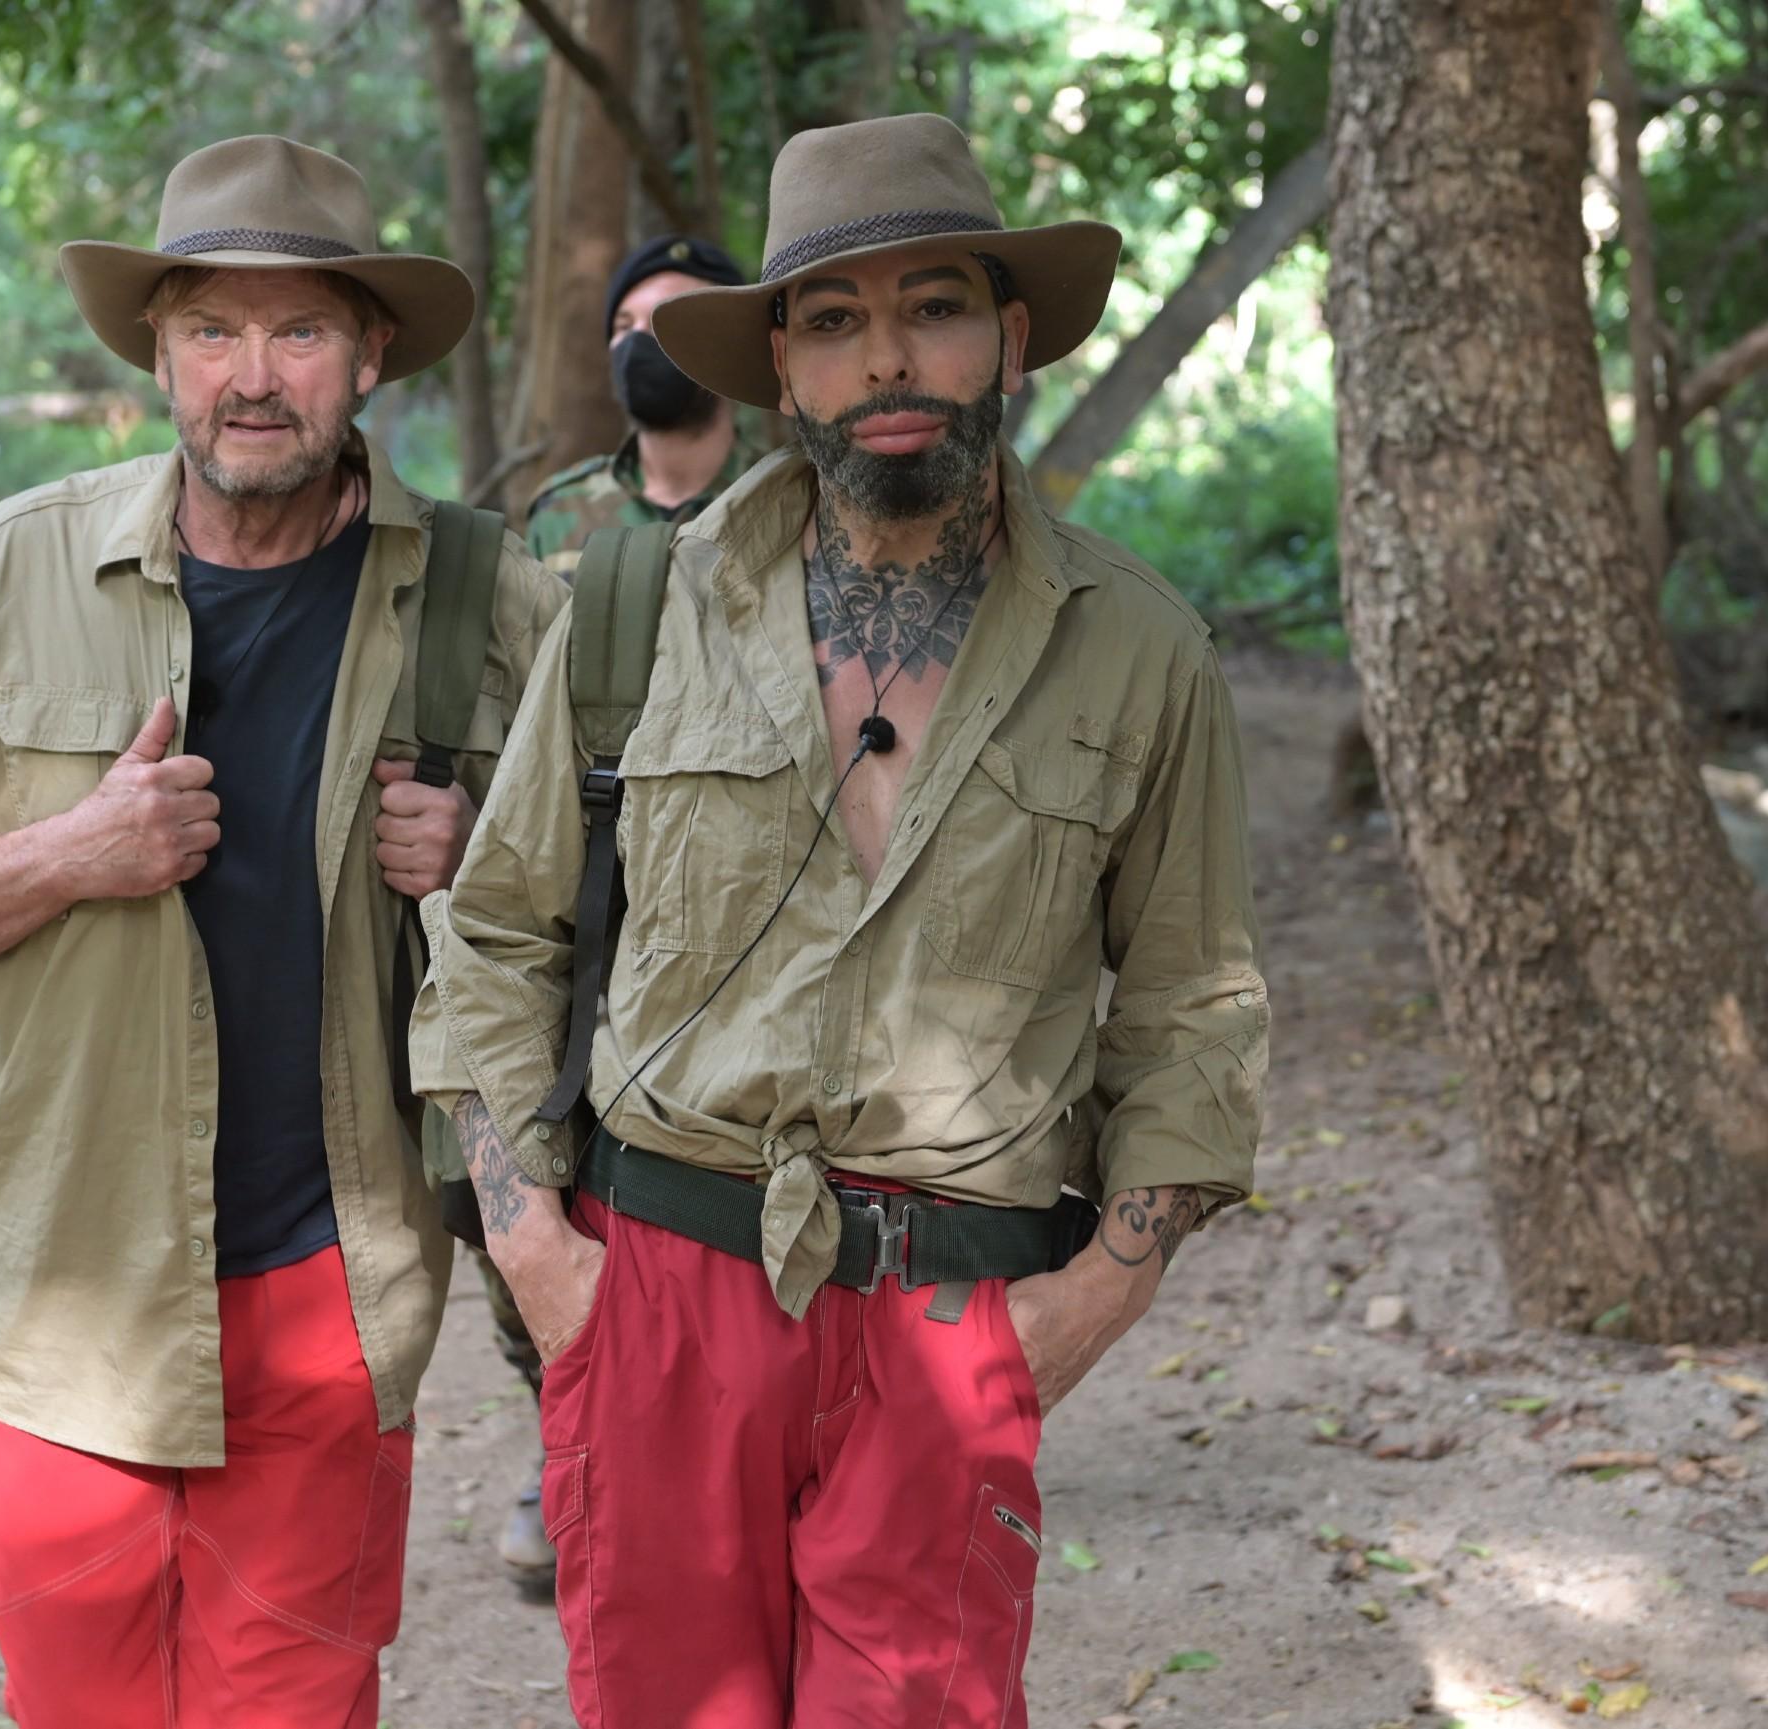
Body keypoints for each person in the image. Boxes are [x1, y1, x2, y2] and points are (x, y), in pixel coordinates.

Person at [419, 113, 1269, 1726]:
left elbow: (1189, 1000)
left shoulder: (1140, 648)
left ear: (1008, 335)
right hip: (660, 1280)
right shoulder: (632, 604)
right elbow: (499, 926)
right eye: (831, 319)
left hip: (951, 1300)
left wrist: (1093, 1294)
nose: (887, 354)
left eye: (933, 305)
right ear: (779, 369)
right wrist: (533, 1243)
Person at [0, 135, 566, 1729]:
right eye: (212, 329)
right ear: (157, 352)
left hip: (326, 1288)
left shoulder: (491, 599)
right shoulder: (18, 566)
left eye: (298, 332)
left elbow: (639, 909)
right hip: (59, 1277)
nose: (253, 376)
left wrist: (486, 856)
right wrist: (73, 852)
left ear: (368, 355)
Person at [479, 229, 766, 1593]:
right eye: (629, 320)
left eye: (685, 316)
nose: (651, 337)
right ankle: (567, 1442)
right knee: (537, 1170)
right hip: (582, 900)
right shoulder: (553, 529)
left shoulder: (796, 509)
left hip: (741, 910)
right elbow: (501, 740)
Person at [521, 232, 765, 577]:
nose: (637, 340)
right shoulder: (559, 510)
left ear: (731, 346)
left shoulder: (786, 499)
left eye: (662, 321)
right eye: (624, 325)